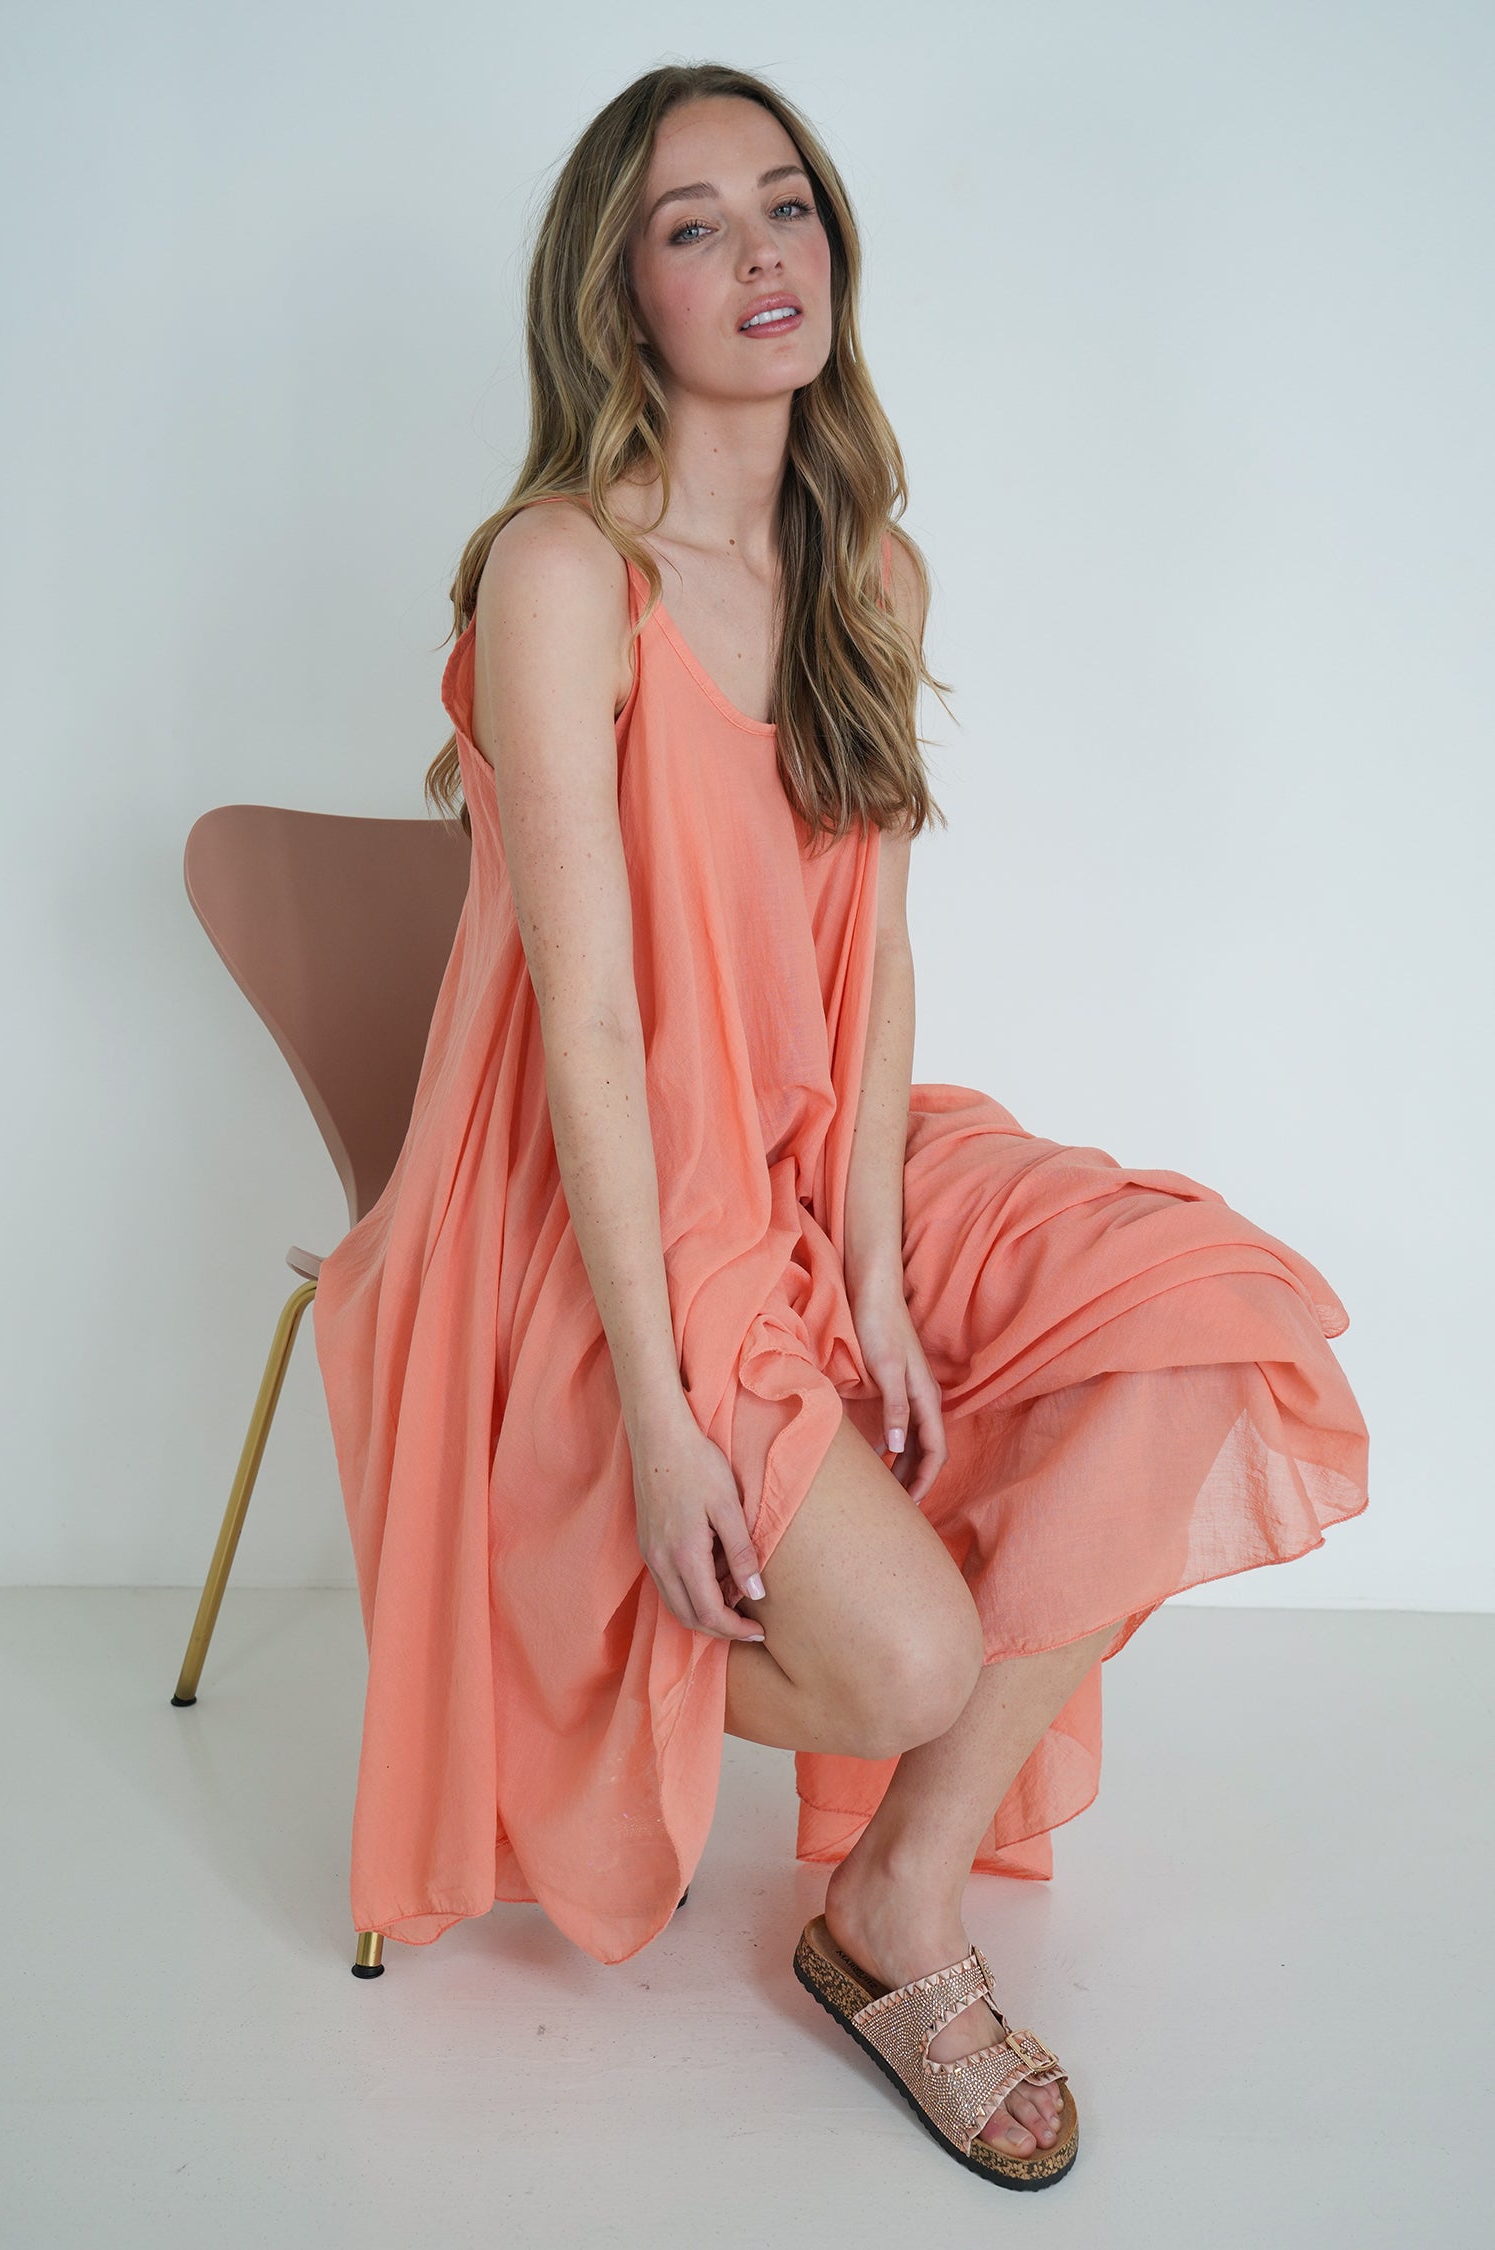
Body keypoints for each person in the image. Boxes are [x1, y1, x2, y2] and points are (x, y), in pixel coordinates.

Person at [312, 62, 1370, 2190]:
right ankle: (628, 1675)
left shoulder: (866, 561)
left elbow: (870, 951)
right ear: (622, 298)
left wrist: (882, 1261)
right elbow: (592, 1025)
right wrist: (666, 1403)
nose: (760, 251)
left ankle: (895, 1904)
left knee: (1215, 1313)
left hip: (835, 1146)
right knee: (902, 1654)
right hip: (614, 1185)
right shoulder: (557, 573)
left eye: (784, 203)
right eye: (694, 224)